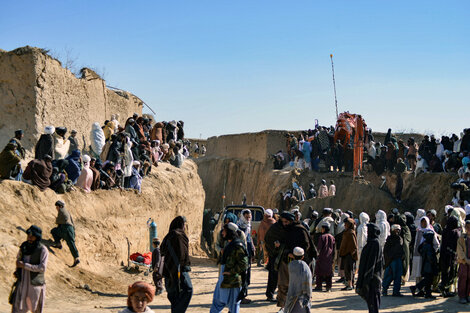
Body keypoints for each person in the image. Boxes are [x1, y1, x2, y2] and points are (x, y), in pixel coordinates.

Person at [210, 223, 249, 313]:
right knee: (217, 302)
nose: (222, 233)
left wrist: (231, 272)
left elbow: (244, 264)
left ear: (229, 232)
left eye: (224, 231)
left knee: (233, 305)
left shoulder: (238, 245)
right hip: (225, 279)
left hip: (233, 281)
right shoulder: (230, 244)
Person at [11, 225, 48, 313]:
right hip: (22, 282)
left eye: (32, 236)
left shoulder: (43, 250)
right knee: (17, 307)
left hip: (34, 284)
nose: (29, 238)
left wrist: (25, 266)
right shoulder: (24, 246)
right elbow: (18, 259)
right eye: (28, 236)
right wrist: (18, 270)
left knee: (35, 309)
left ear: (37, 237)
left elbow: (42, 268)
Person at [161, 216, 193, 313]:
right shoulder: (179, 235)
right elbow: (182, 255)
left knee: (174, 297)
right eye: (184, 225)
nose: (184, 228)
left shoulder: (168, 236)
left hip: (169, 272)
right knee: (188, 290)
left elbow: (162, 251)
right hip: (179, 272)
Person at [356, 224, 384, 313]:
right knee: (371, 303)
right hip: (370, 278)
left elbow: (372, 262)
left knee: (373, 303)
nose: (367, 233)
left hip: (373, 279)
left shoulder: (375, 243)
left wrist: (367, 279)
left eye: (369, 231)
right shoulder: (371, 243)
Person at [50, 200, 80, 267]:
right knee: (55, 231)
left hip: (66, 229)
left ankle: (76, 258)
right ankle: (58, 244)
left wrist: (58, 220)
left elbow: (59, 221)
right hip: (69, 229)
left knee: (71, 244)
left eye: (57, 206)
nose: (56, 208)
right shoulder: (66, 211)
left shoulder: (61, 211)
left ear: (60, 206)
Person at [411, 231, 439, 299]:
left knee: (427, 280)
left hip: (425, 265)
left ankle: (427, 293)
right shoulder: (429, 246)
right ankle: (416, 287)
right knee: (428, 280)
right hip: (429, 265)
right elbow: (430, 257)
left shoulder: (424, 244)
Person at [284, 247, 312, 313]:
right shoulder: (305, 266)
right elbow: (309, 278)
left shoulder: (290, 265)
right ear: (303, 257)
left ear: (293, 256)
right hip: (302, 296)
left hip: (291, 293)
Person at [439, 216, 461, 298]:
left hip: (444, 254)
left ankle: (444, 288)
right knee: (452, 273)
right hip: (452, 256)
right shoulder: (456, 232)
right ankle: (444, 287)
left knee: (444, 273)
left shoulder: (445, 230)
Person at [382, 224, 404, 297]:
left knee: (389, 276)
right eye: (396, 229)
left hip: (391, 260)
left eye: (398, 230)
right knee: (396, 276)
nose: (397, 231)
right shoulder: (398, 239)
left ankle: (386, 290)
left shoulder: (390, 239)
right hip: (395, 260)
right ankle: (394, 291)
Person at [314, 224, 335, 292]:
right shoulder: (332, 237)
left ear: (324, 229)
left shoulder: (322, 237)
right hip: (329, 257)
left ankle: (319, 286)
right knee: (329, 272)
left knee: (319, 271)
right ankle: (328, 286)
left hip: (322, 256)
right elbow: (334, 248)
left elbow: (319, 247)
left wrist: (317, 254)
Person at [339, 218, 358, 290]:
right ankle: (349, 284)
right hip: (346, 254)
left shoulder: (350, 233)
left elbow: (353, 246)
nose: (344, 225)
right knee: (347, 270)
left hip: (349, 255)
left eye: (346, 224)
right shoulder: (347, 232)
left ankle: (350, 285)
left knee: (349, 270)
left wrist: (351, 253)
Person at [457, 220, 470, 304]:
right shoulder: (462, 237)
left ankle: (468, 295)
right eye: (467, 227)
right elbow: (459, 249)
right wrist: (465, 259)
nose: (469, 228)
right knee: (463, 278)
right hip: (463, 262)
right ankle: (462, 296)